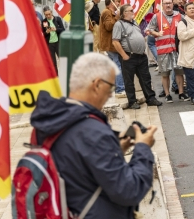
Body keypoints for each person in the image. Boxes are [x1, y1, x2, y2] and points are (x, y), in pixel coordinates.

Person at [30, 53, 157, 218]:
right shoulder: (92, 131)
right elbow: (128, 190)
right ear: (97, 84)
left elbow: (78, 166)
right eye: (111, 87)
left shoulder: (50, 122)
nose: (111, 94)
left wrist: (116, 148)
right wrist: (143, 148)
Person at [112, 4, 162, 109]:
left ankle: (151, 98)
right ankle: (132, 101)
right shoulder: (119, 24)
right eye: (131, 10)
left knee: (146, 78)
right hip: (129, 56)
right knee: (129, 80)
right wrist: (124, 55)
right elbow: (115, 42)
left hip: (141, 56)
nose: (133, 11)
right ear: (124, 13)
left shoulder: (134, 22)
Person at [147, 0, 185, 103]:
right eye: (166, 3)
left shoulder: (179, 16)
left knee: (179, 72)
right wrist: (157, 33)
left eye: (170, 3)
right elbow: (149, 29)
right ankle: (167, 94)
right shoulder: (157, 16)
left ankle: (181, 93)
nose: (168, 5)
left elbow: (187, 26)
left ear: (173, 4)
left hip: (177, 49)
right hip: (163, 50)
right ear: (162, 5)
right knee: (165, 74)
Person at [100, 0, 125, 96]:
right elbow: (109, 26)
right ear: (111, 3)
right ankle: (120, 89)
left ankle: (115, 88)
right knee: (118, 65)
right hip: (110, 44)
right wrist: (117, 17)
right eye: (116, 1)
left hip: (111, 44)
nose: (118, 3)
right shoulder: (106, 12)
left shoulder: (110, 12)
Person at [41, 7, 65, 75]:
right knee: (53, 62)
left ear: (51, 12)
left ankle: (64, 74)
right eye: (46, 15)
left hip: (58, 43)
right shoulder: (44, 21)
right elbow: (43, 34)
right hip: (50, 44)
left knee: (62, 59)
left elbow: (63, 29)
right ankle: (56, 77)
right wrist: (47, 32)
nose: (48, 16)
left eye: (49, 14)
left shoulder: (57, 19)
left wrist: (56, 29)